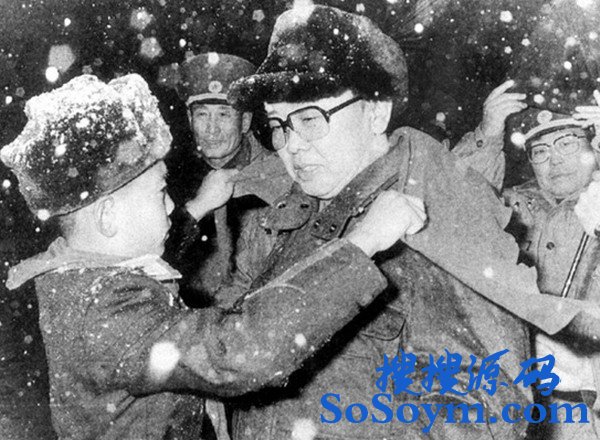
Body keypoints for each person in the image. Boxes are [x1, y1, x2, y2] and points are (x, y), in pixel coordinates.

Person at [0, 73, 422, 439]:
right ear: (108, 216)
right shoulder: (106, 309)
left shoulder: (83, 274)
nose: (171, 205)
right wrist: (362, 242)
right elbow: (240, 350)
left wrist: (199, 208)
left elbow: (143, 260)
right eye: (160, 193)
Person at [224, 5, 551, 439]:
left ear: (376, 113)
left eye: (310, 119)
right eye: (279, 125)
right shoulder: (293, 218)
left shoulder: (434, 216)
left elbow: (486, 413)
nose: (292, 145)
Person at [454, 84, 600, 439]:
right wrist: (489, 133)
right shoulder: (515, 203)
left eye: (567, 144)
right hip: (519, 392)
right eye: (540, 151)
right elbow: (455, 197)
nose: (554, 160)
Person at [163, 53, 291, 300]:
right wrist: (193, 210)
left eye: (224, 114)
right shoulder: (172, 184)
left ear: (245, 122)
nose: (211, 129)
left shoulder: (280, 179)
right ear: (190, 119)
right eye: (202, 115)